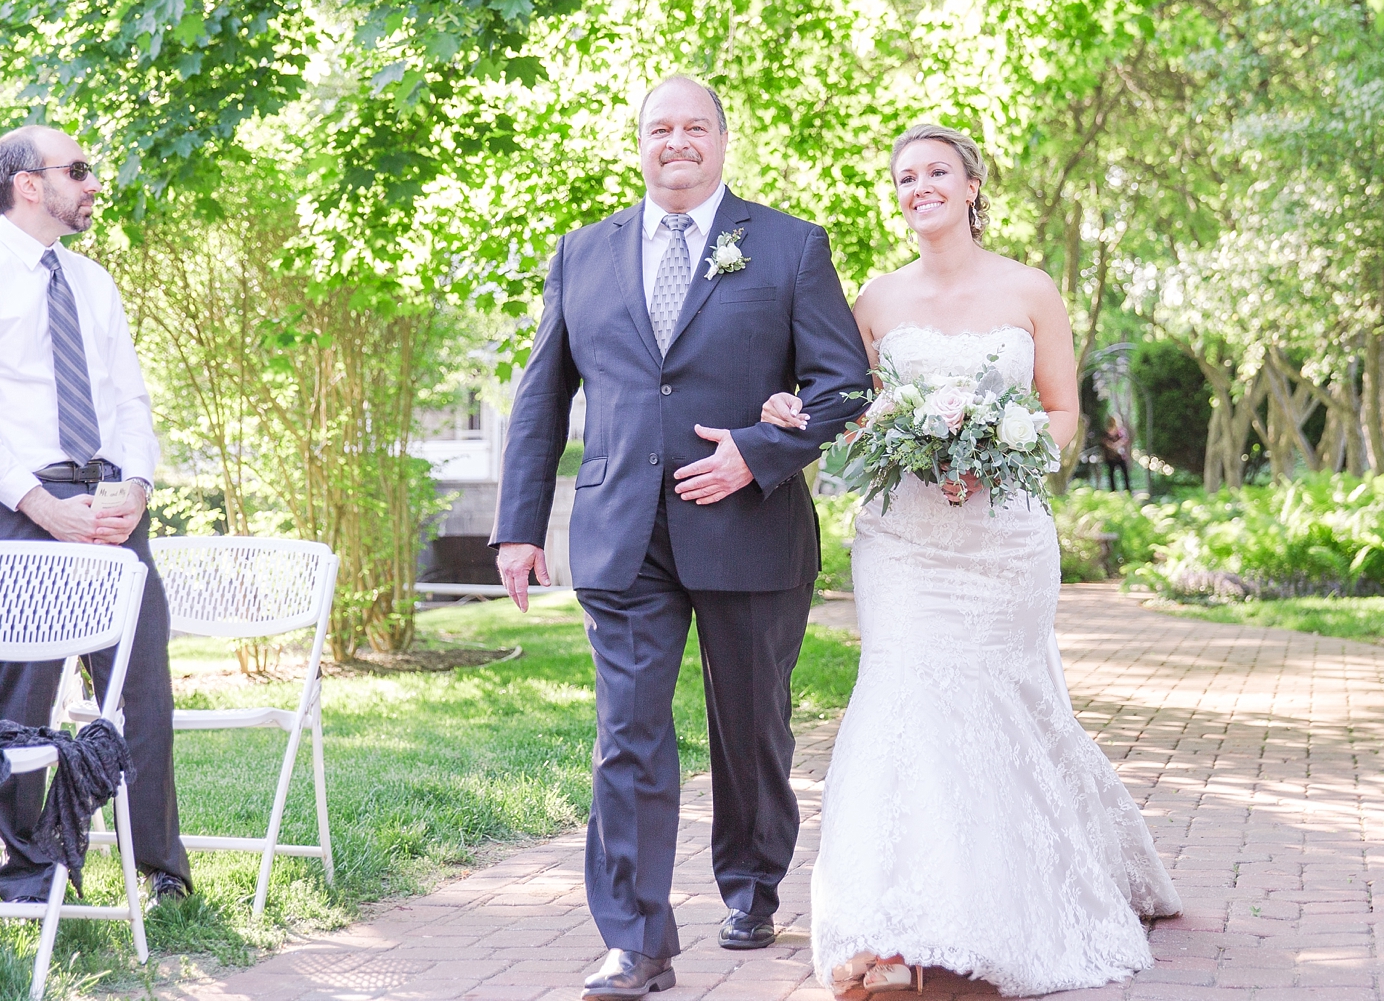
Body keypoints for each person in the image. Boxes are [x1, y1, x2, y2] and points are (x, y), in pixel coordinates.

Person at [758, 123, 1180, 998]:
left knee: (1008, 704)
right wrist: (798, 412)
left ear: (972, 184)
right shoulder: (874, 298)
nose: (920, 187)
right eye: (905, 176)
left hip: (1005, 539)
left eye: (936, 172)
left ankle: (1011, 904)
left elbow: (1059, 411)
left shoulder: (1031, 290)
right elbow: (847, 405)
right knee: (901, 699)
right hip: (904, 541)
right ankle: (881, 923)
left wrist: (1001, 451)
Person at [489, 76, 870, 999]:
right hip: (623, 532)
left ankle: (751, 883)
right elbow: (543, 394)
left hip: (748, 526)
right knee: (627, 734)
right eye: (660, 129)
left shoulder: (789, 246)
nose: (677, 142)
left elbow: (844, 384)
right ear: (640, 144)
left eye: (695, 127)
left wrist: (757, 451)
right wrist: (517, 528)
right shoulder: (582, 253)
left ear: (723, 141)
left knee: (751, 726)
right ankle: (637, 941)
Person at [0, 125, 192, 906]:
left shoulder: (95, 283)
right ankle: (29, 872)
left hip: (111, 512)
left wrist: (134, 487)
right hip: (19, 508)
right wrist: (41, 504)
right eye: (79, 170)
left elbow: (129, 400)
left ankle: (160, 871)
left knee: (141, 692)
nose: (93, 183)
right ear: (28, 184)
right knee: (17, 703)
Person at [1099, 414, 1131, 491]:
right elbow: (1103, 442)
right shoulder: (1106, 432)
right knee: (1111, 474)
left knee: (1125, 473)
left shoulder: (1121, 431)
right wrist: (1111, 445)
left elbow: (1125, 440)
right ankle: (1113, 491)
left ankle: (1127, 490)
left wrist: (1117, 444)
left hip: (1120, 456)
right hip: (1110, 457)